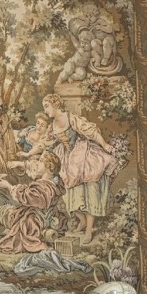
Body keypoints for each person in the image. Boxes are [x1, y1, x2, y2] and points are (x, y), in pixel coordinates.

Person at [42, 93, 117, 246]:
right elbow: (48, 142)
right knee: (67, 190)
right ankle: (82, 221)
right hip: (66, 157)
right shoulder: (53, 125)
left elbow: (91, 131)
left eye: (47, 106)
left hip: (81, 155)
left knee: (89, 191)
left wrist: (105, 145)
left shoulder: (70, 118)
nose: (45, 110)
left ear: (56, 104)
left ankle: (89, 229)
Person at [0, 150, 65, 253]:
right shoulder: (55, 183)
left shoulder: (43, 188)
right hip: (44, 219)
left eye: (41, 161)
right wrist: (19, 164)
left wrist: (9, 186)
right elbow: (33, 170)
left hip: (32, 221)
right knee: (3, 216)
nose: (37, 163)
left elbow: (26, 196)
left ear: (49, 167)